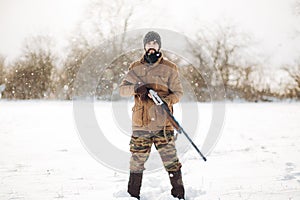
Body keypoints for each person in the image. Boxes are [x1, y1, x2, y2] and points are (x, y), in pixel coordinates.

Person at [119, 31, 185, 200]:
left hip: (164, 124)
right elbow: (122, 89)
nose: (151, 46)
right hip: (141, 124)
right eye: (149, 43)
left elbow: (178, 93)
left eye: (155, 43)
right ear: (144, 46)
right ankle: (132, 196)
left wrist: (165, 100)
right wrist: (136, 89)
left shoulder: (170, 68)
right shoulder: (134, 67)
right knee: (136, 162)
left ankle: (179, 195)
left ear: (159, 46)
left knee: (171, 161)